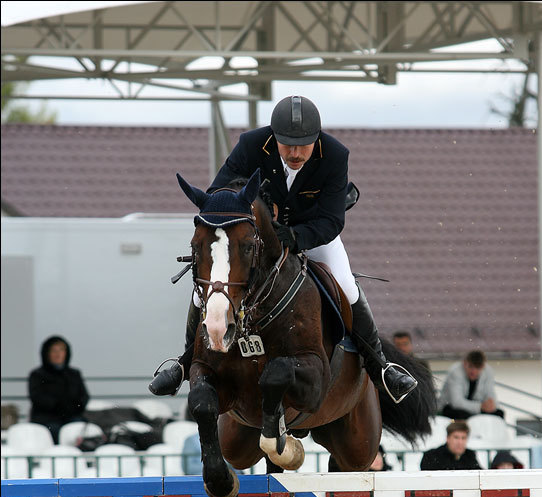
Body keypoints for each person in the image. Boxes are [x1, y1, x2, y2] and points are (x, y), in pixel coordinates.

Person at [149, 94, 417, 405]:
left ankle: (380, 366)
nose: (294, 152)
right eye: (286, 143)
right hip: (260, 237)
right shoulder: (251, 145)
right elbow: (218, 195)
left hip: (313, 234)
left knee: (346, 285)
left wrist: (295, 237)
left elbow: (332, 220)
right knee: (205, 290)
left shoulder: (334, 155)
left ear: (316, 139)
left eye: (303, 144)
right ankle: (185, 363)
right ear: (273, 137)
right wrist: (255, 201)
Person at [28, 336, 90, 443]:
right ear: (46, 353)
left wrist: (73, 407)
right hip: (47, 419)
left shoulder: (74, 374)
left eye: (61, 350)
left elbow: (84, 396)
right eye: (54, 350)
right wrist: (58, 406)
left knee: (80, 429)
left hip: (72, 417)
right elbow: (37, 397)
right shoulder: (37, 375)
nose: (58, 354)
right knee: (55, 431)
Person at [437, 350, 504, 420]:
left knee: (499, 414)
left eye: (477, 367)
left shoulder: (488, 372)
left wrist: (491, 406)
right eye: (471, 366)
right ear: (464, 364)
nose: (474, 371)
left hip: (473, 409)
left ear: (483, 367)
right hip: (450, 409)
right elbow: (456, 402)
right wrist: (480, 406)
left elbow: (490, 395)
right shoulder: (455, 372)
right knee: (461, 416)